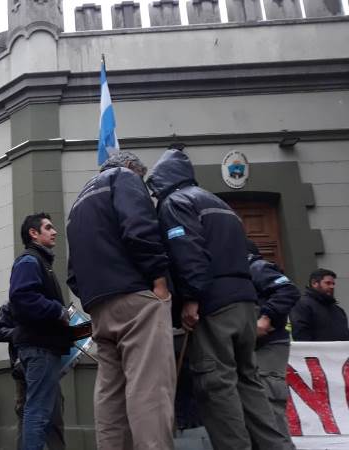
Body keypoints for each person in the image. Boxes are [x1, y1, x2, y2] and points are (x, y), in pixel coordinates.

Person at [146, 148, 288, 450]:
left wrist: (191, 298)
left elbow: (187, 251)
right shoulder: (220, 204)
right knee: (249, 382)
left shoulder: (175, 203)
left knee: (216, 385)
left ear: (163, 181)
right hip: (246, 304)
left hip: (214, 306)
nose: (155, 194)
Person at [66, 151, 175, 450]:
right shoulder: (124, 178)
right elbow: (139, 228)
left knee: (110, 392)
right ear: (130, 167)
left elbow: (72, 271)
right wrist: (159, 280)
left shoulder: (80, 200)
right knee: (149, 388)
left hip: (99, 307)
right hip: (137, 299)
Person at [8, 213, 75, 450]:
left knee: (47, 413)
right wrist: (58, 310)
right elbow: (22, 297)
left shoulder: (39, 261)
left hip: (44, 348)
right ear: (33, 233)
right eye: (48, 227)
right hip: (40, 348)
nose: (54, 231)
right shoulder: (29, 260)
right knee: (37, 412)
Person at [0, 302, 65, 450]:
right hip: (23, 370)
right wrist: (20, 333)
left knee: (55, 413)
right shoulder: (9, 306)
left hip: (47, 367)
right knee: (26, 415)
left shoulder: (44, 305)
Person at [246, 240, 298, 446]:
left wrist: (266, 318)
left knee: (268, 403)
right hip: (253, 347)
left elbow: (288, 291)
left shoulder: (256, 267)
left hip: (269, 345)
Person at [290, 268, 349, 341]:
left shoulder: (338, 310)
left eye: (333, 284)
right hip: (315, 348)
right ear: (314, 283)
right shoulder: (302, 304)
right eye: (328, 283)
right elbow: (301, 335)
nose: (332, 287)